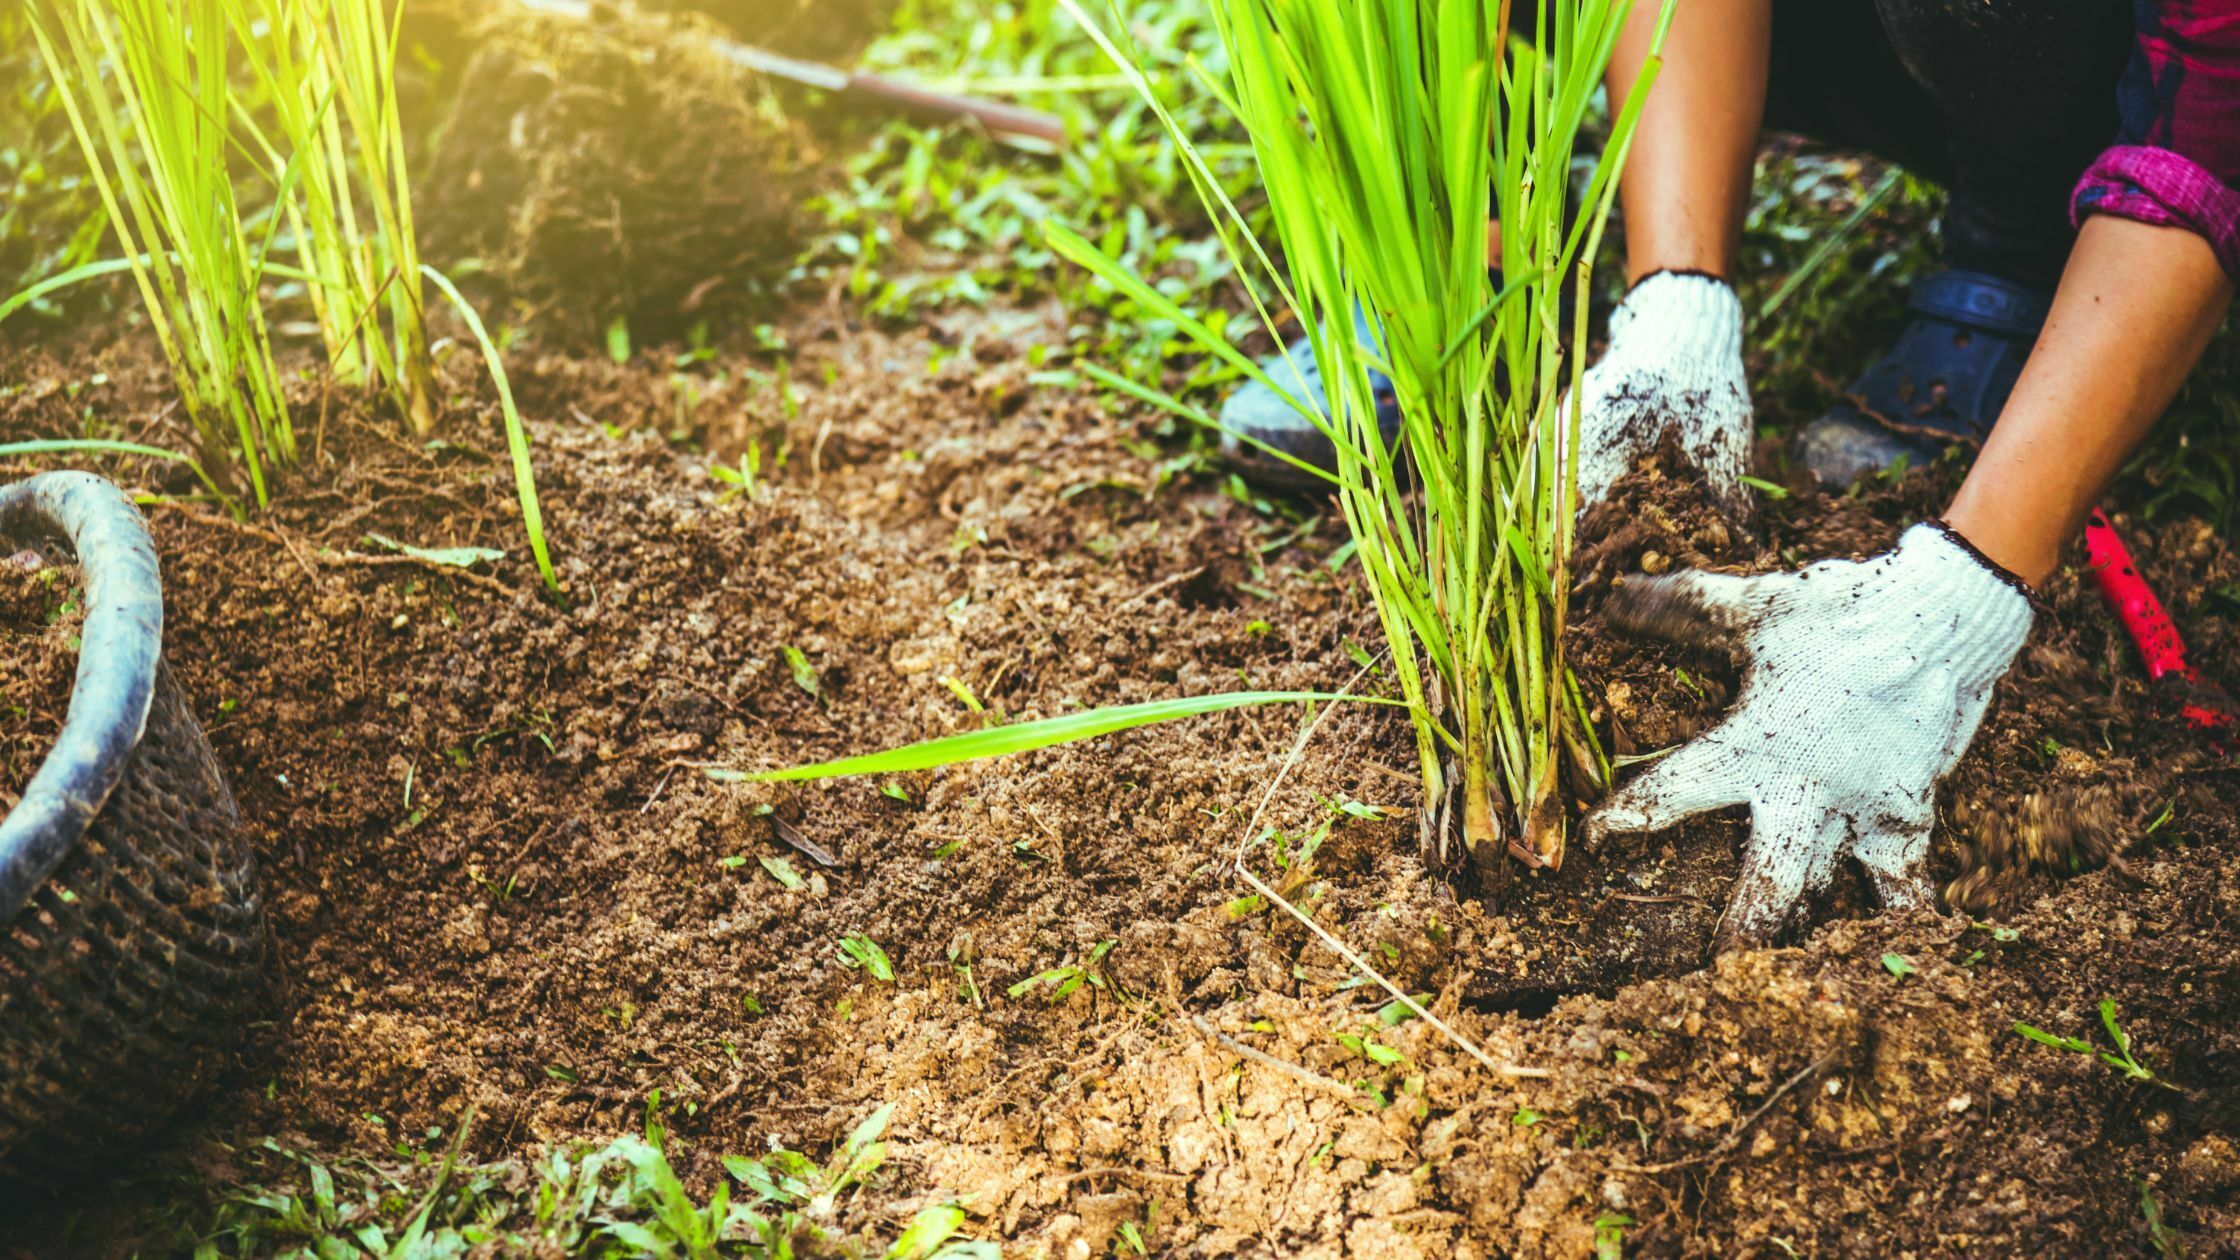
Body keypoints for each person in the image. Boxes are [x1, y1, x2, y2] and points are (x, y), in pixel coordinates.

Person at [1218, 0, 2240, 946]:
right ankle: (1454, 246)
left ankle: (2015, 252)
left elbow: (2206, 125)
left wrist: (1959, 595)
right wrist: (1677, 301)